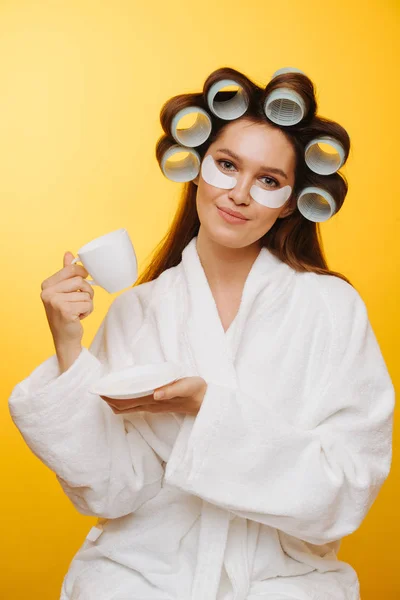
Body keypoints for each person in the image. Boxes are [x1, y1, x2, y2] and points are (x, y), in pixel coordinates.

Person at [8, 67, 395, 600]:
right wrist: (68, 346)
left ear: (289, 202)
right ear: (195, 169)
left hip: (284, 584)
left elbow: (347, 490)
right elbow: (110, 491)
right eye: (227, 165)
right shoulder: (139, 311)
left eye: (268, 180)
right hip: (140, 578)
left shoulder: (330, 309)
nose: (238, 193)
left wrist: (207, 409)